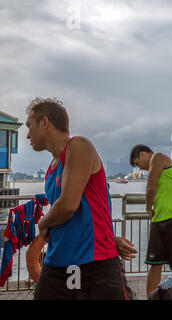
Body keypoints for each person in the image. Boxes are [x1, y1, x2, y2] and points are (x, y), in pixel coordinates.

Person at [26, 97, 129, 300]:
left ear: (45, 122)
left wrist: (43, 222)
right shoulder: (51, 169)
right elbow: (79, 213)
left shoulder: (79, 146)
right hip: (58, 263)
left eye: (30, 126)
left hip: (95, 266)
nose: (28, 135)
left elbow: (68, 205)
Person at [129, 145, 172, 299]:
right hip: (160, 219)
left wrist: (148, 209)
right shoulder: (160, 165)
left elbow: (150, 188)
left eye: (138, 163)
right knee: (154, 263)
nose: (140, 168)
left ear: (143, 154)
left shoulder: (158, 158)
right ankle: (149, 298)